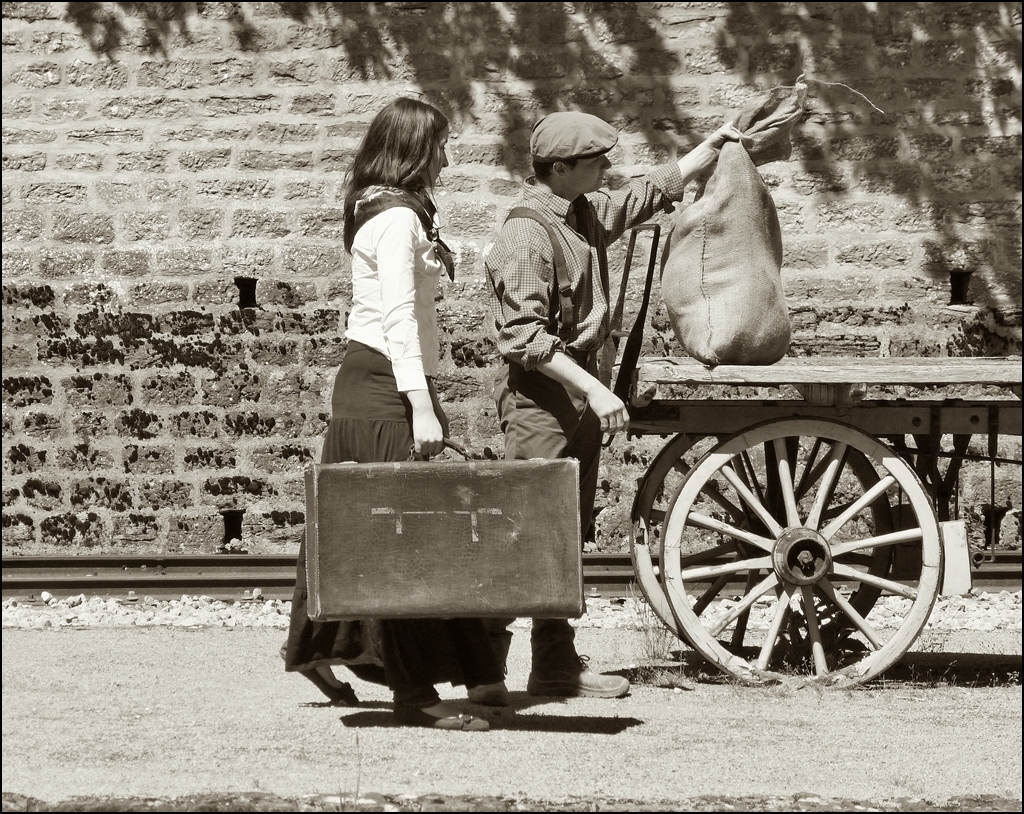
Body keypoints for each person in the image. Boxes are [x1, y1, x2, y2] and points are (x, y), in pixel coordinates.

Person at [481, 110, 743, 700]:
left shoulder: (580, 212)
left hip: (571, 392)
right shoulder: (527, 233)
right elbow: (522, 338)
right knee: (524, 530)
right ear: (560, 168)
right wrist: (596, 389)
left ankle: (553, 665)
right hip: (540, 398)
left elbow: (643, 196)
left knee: (564, 531)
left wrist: (707, 150)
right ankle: (483, 671)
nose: (607, 168)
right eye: (596, 160)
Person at [282, 97, 505, 731]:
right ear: (414, 149)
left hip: (367, 384)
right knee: (408, 545)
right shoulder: (399, 219)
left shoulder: (382, 209)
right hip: (386, 389)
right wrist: (422, 405)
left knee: (354, 532)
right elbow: (400, 319)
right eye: (440, 144)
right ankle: (416, 694)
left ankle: (320, 647)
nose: (446, 155)